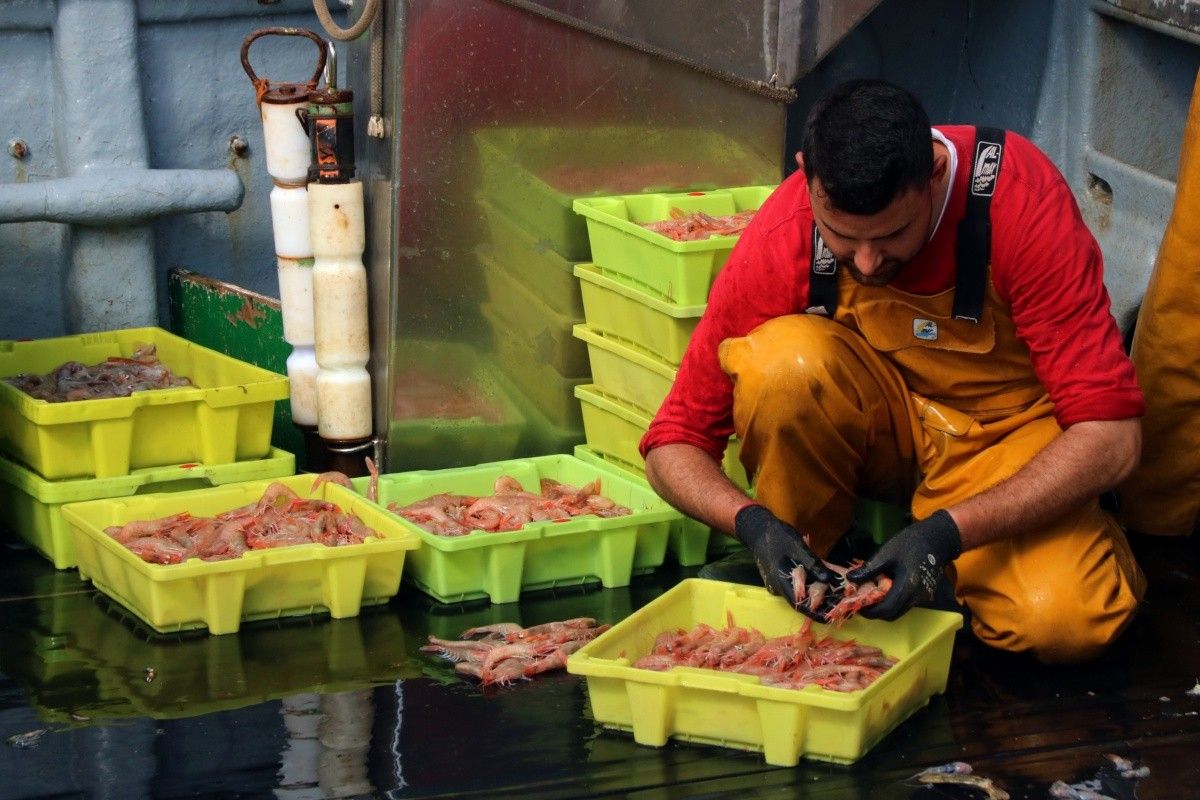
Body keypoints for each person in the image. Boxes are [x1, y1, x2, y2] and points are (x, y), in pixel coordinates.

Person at [640, 79, 1146, 665]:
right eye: (844, 239)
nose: (868, 262)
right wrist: (753, 526)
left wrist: (943, 536)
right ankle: (809, 565)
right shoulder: (787, 226)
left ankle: (1056, 548)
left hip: (1005, 439)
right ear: (808, 176)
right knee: (781, 363)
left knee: (1063, 624)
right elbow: (670, 443)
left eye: (891, 235)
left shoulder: (1018, 202)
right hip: (884, 428)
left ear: (933, 175)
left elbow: (1113, 437)